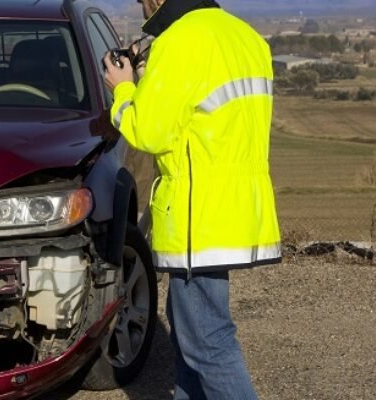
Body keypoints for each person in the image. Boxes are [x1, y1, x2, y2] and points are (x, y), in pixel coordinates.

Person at [103, 0, 281, 399]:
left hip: (196, 215)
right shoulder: (246, 37)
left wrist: (125, 88)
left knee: (208, 342)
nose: (139, 3)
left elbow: (148, 132)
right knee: (190, 340)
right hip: (237, 209)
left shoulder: (179, 42)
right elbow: (201, 116)